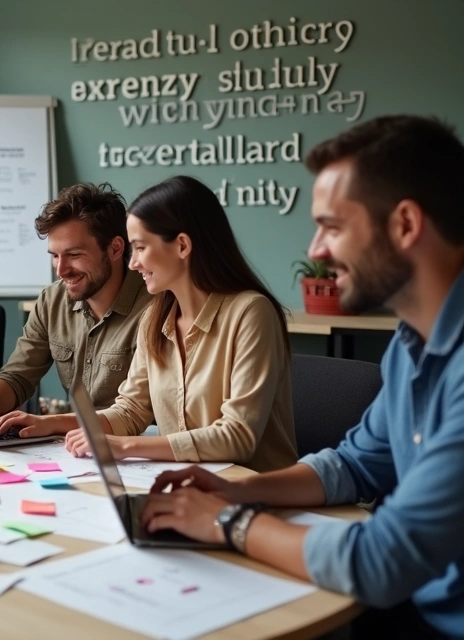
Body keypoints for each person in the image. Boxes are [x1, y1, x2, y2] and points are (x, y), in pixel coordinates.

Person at [141, 116, 464, 638]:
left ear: (405, 224)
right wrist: (233, 493)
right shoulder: (410, 345)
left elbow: (383, 562)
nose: (315, 250)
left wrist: (229, 523)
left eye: (332, 227)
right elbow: (353, 466)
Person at [0, 175, 298, 472]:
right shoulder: (156, 316)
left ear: (181, 246)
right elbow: (131, 410)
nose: (133, 262)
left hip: (256, 492)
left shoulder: (251, 312)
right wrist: (50, 423)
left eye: (140, 248)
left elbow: (238, 437)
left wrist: (125, 447)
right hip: (192, 487)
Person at [0, 183, 151, 422]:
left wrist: (50, 424)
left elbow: (138, 412)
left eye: (74, 255)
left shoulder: (155, 305)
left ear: (115, 248)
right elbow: (18, 376)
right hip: (78, 444)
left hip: (141, 446)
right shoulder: (51, 301)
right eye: (55, 256)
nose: (61, 270)